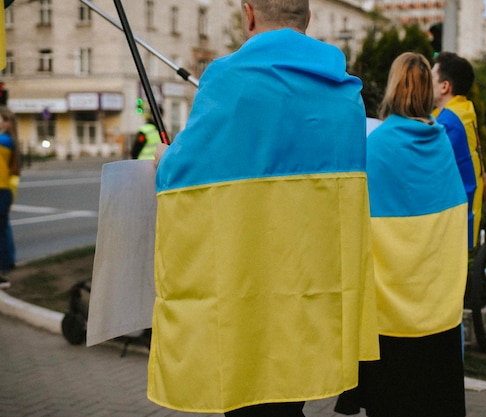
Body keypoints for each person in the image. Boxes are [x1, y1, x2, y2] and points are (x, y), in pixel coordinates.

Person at [148, 1, 379, 415]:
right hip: (312, 291)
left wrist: (165, 160)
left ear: (248, 14)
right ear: (307, 19)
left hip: (248, 286)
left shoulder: (226, 79)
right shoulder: (347, 94)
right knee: (291, 404)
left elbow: (184, 174)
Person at [336, 52, 468, 417]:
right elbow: (456, 221)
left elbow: (352, 227)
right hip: (438, 316)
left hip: (387, 322)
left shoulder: (374, 147)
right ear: (429, 92)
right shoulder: (441, 145)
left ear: (392, 89)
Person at [432, 51, 484, 250]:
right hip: (466, 208)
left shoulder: (449, 123)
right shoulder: (462, 110)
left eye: (431, 78)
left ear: (445, 86)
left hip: (454, 214)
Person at [0, 107, 19, 289]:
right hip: (4, 190)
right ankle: (7, 262)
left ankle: (3, 269)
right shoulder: (8, 140)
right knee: (3, 228)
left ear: (6, 122)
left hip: (1, 189)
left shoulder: (4, 140)